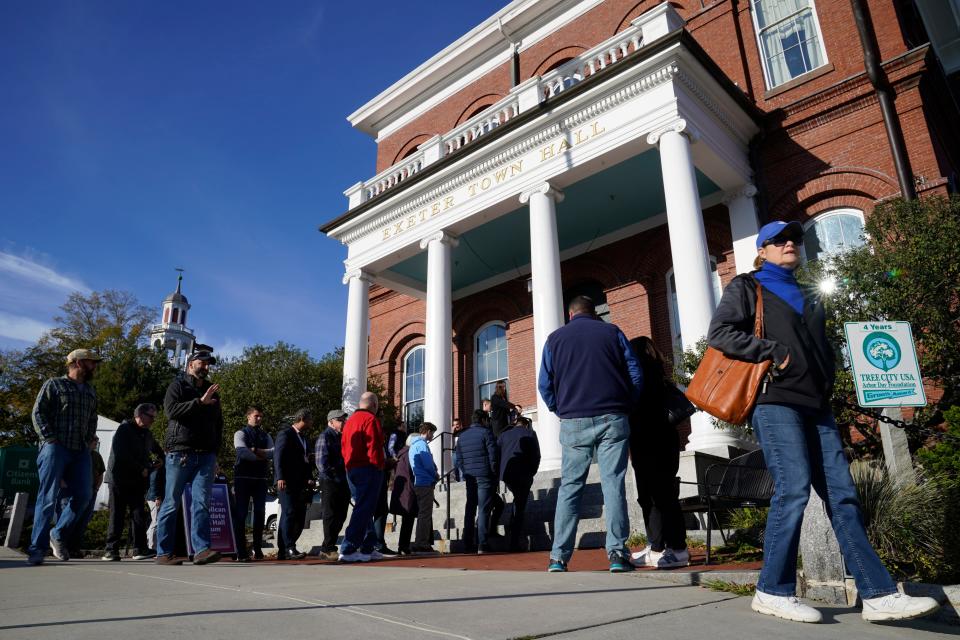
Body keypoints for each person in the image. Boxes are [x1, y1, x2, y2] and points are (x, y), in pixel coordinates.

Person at [708, 220, 939, 623]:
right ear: (761, 251)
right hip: (775, 401)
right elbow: (721, 334)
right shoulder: (748, 287)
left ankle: (878, 595)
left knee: (843, 495)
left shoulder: (810, 293)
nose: (788, 244)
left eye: (793, 239)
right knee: (793, 490)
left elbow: (819, 347)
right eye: (777, 240)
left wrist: (827, 380)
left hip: (817, 406)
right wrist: (773, 351)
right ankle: (772, 590)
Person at [538, 295, 643, 573]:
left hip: (574, 419)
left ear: (570, 315)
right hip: (613, 415)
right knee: (613, 484)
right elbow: (634, 371)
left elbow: (544, 383)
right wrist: (627, 404)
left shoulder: (554, 339)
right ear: (594, 313)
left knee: (570, 488)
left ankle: (558, 558)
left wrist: (559, 408)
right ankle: (617, 555)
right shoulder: (612, 331)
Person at [27, 348, 102, 565]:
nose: (94, 366)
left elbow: (92, 419)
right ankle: (37, 548)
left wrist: (88, 441)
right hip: (56, 448)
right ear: (78, 363)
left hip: (80, 450)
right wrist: (50, 439)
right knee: (48, 497)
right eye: (91, 362)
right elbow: (38, 412)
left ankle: (57, 533)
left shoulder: (90, 391)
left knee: (84, 496)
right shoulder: (54, 384)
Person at [155, 350, 223, 566]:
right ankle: (163, 552)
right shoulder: (178, 386)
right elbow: (171, 411)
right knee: (171, 503)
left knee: (202, 503)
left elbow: (218, 424)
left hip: (206, 455)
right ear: (190, 363)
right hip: (180, 452)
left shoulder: (212, 390)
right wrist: (199, 403)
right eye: (201, 363)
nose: (205, 367)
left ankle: (201, 550)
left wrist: (216, 454)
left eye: (208, 364)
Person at [627, 337, 688, 569]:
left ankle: (678, 548)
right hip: (661, 441)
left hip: (650, 441)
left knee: (659, 496)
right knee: (653, 496)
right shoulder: (658, 376)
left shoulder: (643, 378)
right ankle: (657, 546)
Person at [102, 403, 159, 561]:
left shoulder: (146, 433)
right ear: (139, 415)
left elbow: (156, 448)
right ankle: (110, 550)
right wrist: (141, 467)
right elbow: (121, 454)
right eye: (151, 417)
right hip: (119, 479)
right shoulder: (124, 429)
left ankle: (139, 548)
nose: (153, 420)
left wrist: (162, 458)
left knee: (138, 513)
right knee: (117, 514)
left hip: (137, 480)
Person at [339, 392, 386, 562]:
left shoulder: (349, 421)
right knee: (364, 508)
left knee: (362, 507)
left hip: (351, 468)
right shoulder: (370, 420)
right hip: (368, 468)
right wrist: (380, 466)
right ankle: (348, 548)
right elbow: (374, 447)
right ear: (374, 404)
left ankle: (367, 546)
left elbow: (344, 447)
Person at [233, 406, 274, 561]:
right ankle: (241, 551)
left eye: (261, 416)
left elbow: (273, 452)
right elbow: (242, 452)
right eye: (256, 416)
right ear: (248, 416)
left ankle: (258, 549)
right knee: (241, 514)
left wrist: (255, 449)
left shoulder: (266, 435)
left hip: (260, 479)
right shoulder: (240, 433)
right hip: (243, 478)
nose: (259, 419)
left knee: (259, 513)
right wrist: (261, 456)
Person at [455, 409, 498, 554]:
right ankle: (482, 544)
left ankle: (467, 543)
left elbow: (459, 459)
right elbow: (493, 455)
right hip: (484, 475)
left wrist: (466, 471)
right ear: (483, 420)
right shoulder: (486, 433)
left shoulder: (462, 436)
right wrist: (493, 471)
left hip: (469, 476)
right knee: (484, 509)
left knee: (470, 509)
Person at [273, 409, 313, 560]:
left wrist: (309, 476)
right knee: (288, 512)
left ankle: (283, 549)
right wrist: (280, 477)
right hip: (286, 482)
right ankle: (289, 548)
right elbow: (278, 456)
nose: (312, 422)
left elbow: (305, 459)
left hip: (300, 483)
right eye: (310, 419)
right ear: (302, 418)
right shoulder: (286, 434)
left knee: (298, 515)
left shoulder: (303, 438)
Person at [497, 416, 540, 552]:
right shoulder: (530, 433)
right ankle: (514, 540)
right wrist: (532, 472)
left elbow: (497, 453)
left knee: (518, 500)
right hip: (524, 473)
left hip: (508, 474)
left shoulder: (504, 435)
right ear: (526, 424)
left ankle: (513, 536)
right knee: (520, 505)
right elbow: (536, 455)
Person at [315, 409, 350, 560]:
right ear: (331, 422)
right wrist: (334, 476)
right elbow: (321, 462)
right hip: (330, 481)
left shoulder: (341, 437)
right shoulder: (325, 436)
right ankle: (328, 548)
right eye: (340, 420)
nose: (344, 423)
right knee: (330, 514)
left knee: (341, 515)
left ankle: (327, 546)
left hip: (342, 480)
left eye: (344, 420)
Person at [407, 422, 439, 552]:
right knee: (425, 514)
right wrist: (435, 474)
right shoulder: (422, 445)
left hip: (418, 482)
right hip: (425, 483)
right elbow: (428, 464)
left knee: (422, 514)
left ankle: (421, 541)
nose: (433, 436)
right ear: (428, 431)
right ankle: (422, 542)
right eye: (432, 433)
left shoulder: (413, 445)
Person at [146, 446, 165, 553]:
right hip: (154, 498)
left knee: (155, 520)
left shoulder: (157, 470)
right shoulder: (156, 470)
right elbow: (154, 484)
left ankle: (149, 540)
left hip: (153, 497)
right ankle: (151, 546)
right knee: (156, 521)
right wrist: (157, 497)